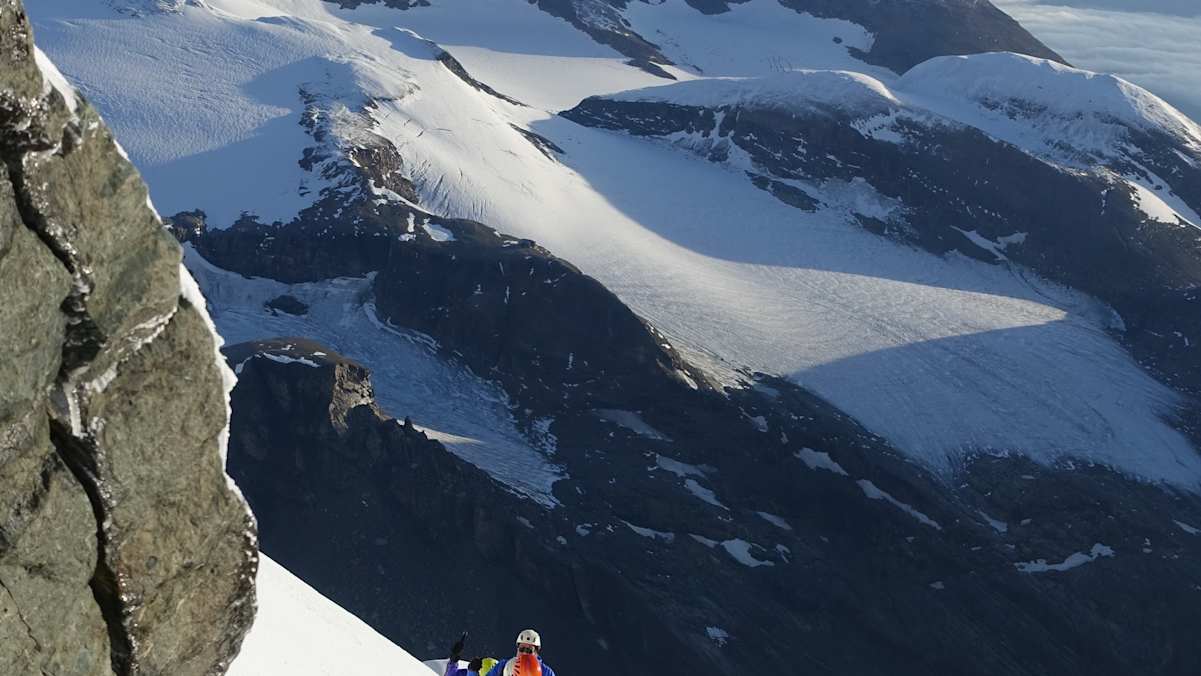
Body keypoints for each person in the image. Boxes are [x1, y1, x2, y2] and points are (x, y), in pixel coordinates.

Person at [483, 629, 557, 676]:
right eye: (522, 649)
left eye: (529, 650)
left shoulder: (547, 673)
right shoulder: (503, 666)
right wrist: (473, 671)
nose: (524, 653)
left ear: (536, 652)